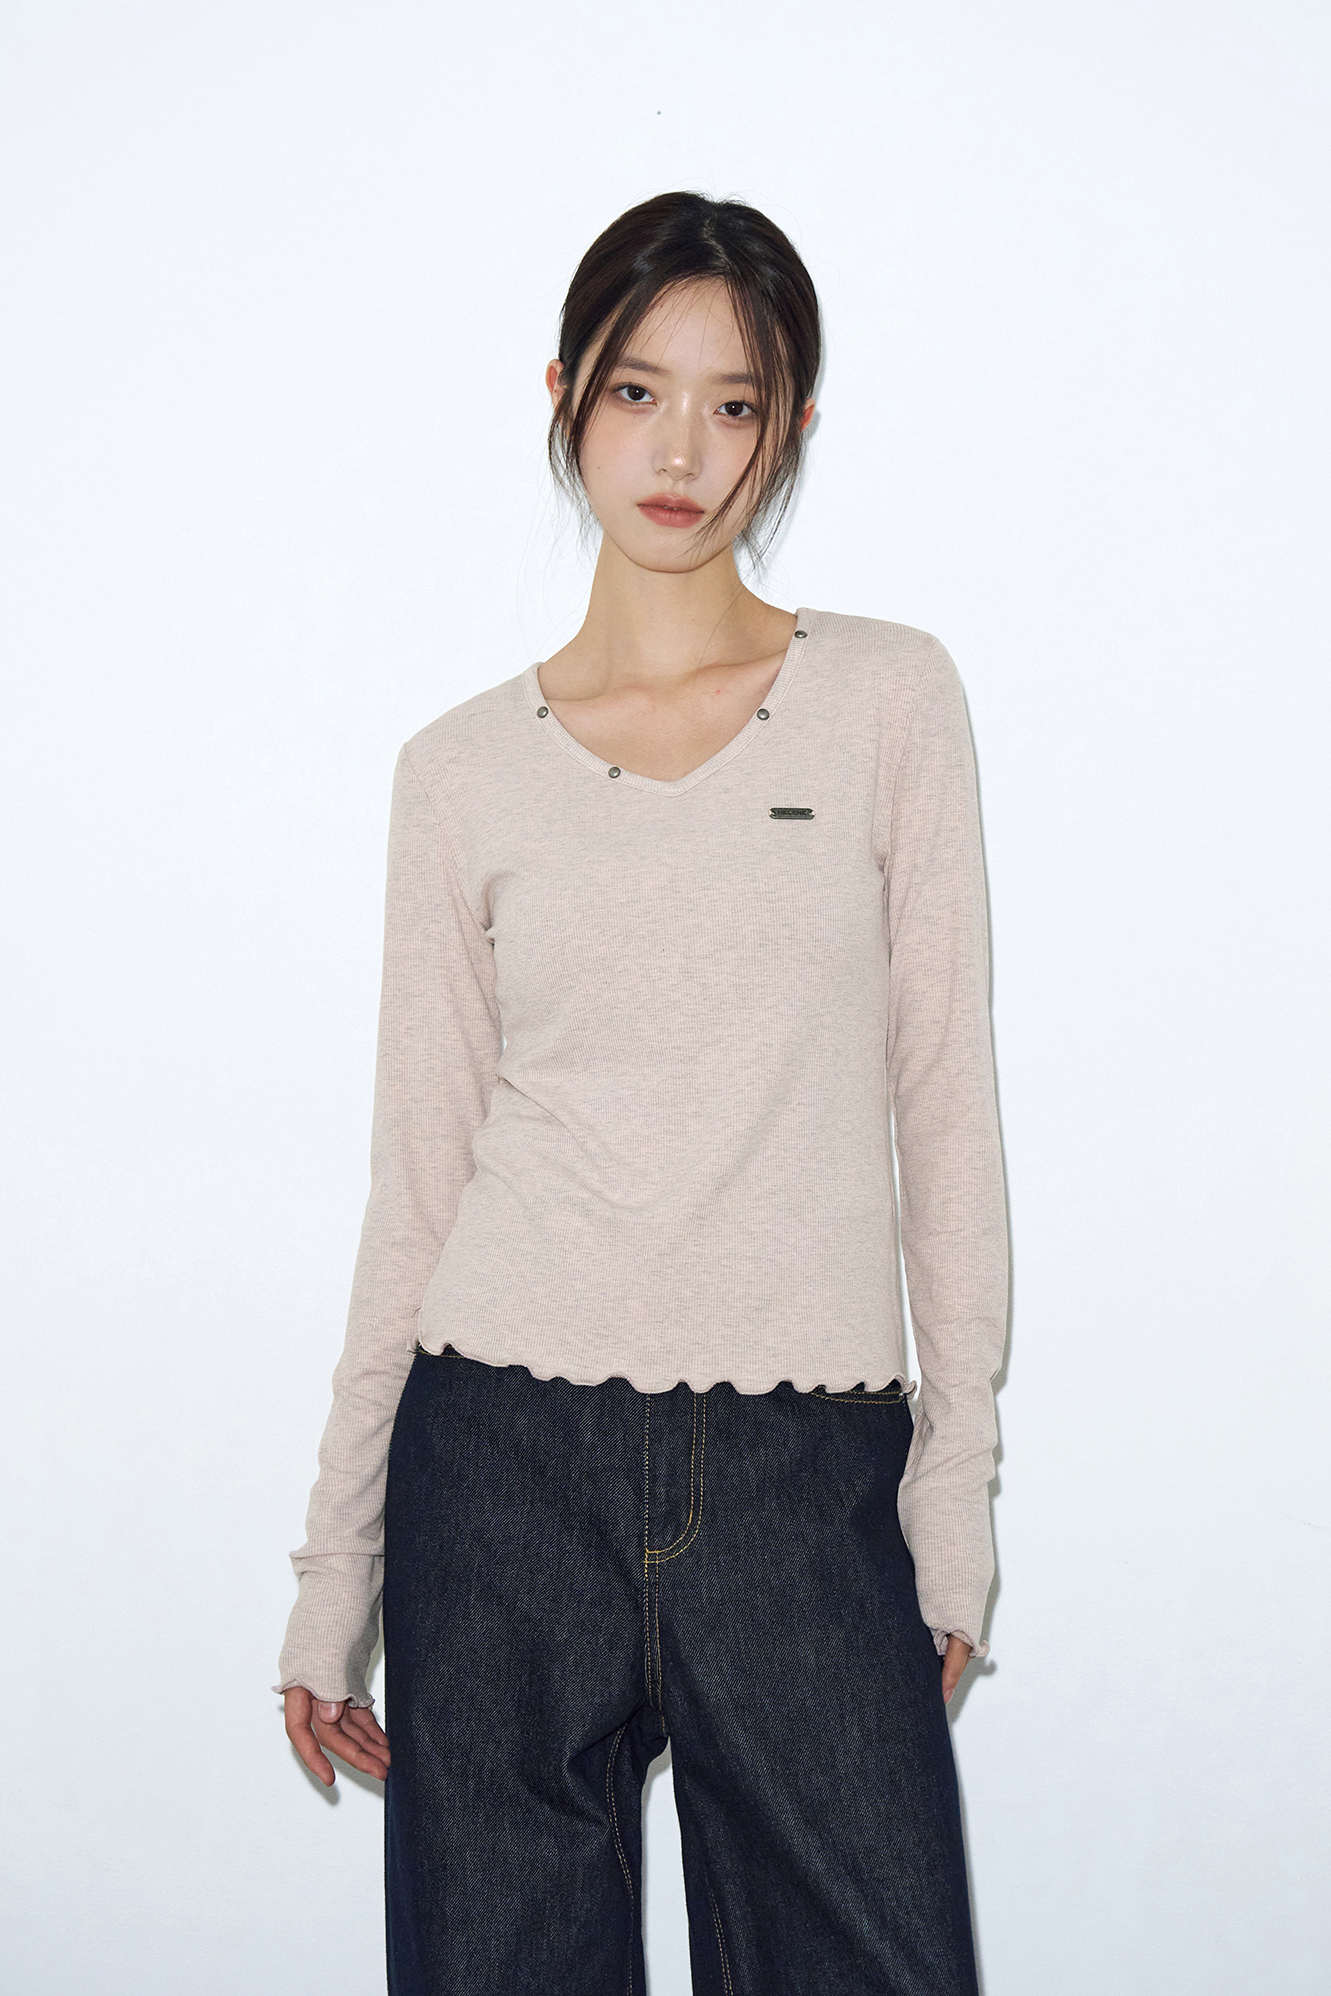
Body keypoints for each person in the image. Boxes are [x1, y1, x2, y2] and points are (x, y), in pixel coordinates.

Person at [277, 190, 1008, 1996]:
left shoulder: (890, 703)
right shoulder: (458, 775)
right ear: (564, 396)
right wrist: (335, 1570)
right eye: (637, 392)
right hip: (500, 1472)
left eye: (734, 403)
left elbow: (945, 1110)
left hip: (805, 1474)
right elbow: (419, 1180)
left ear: (793, 425)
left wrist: (952, 1504)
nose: (682, 451)